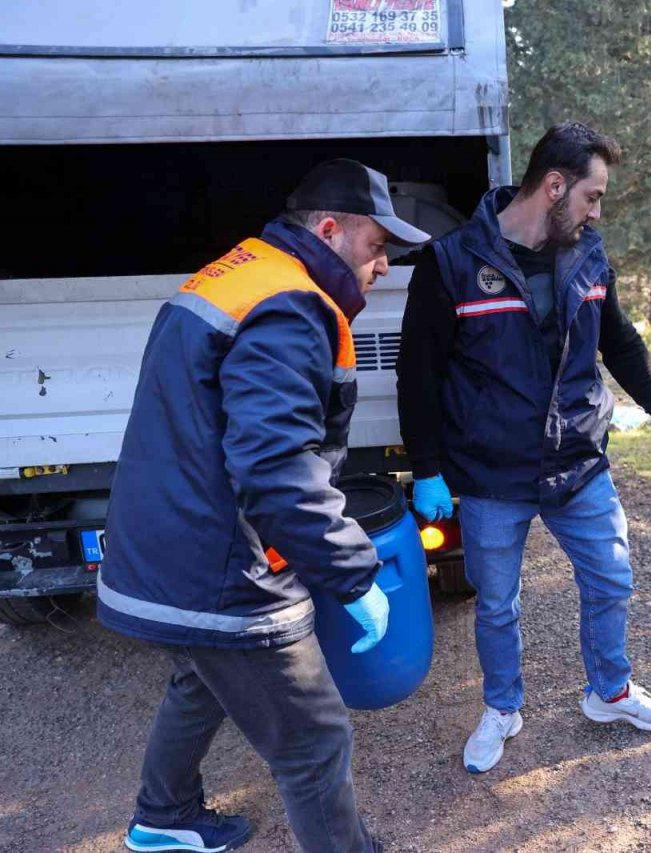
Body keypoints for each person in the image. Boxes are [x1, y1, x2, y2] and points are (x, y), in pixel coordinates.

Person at [97, 159, 429, 853]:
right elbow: (275, 466)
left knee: (202, 675)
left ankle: (164, 815)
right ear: (332, 230)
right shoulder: (292, 302)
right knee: (315, 738)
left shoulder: (238, 273)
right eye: (378, 247)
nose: (385, 267)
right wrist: (353, 574)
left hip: (166, 541)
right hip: (218, 562)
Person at [396, 121, 651, 774]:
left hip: (579, 462)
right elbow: (417, 375)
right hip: (490, 473)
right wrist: (427, 469)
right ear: (554, 187)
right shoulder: (451, 263)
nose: (597, 209)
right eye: (592, 195)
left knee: (611, 578)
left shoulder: (588, 253)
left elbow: (618, 339)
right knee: (496, 603)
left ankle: (609, 690)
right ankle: (502, 706)